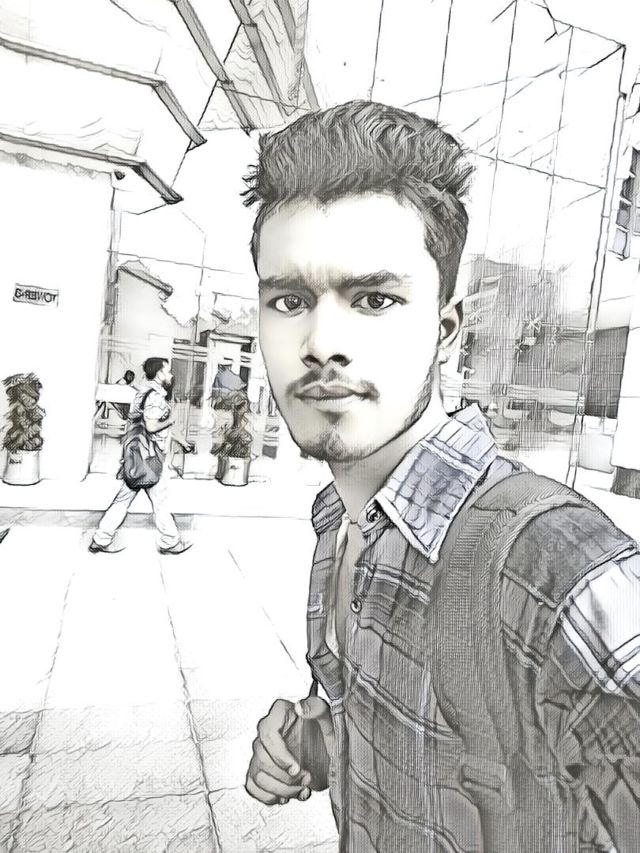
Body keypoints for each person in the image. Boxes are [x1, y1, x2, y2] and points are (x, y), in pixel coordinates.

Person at [243, 101, 640, 851]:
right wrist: (316, 745)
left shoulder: (557, 566)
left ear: (445, 330)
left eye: (375, 299)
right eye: (290, 300)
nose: (321, 342)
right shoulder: (339, 521)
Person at [90, 357, 194, 555]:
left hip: (139, 456)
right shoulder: (155, 397)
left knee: (123, 499)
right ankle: (170, 542)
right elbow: (152, 426)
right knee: (160, 502)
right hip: (150, 459)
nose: (170, 375)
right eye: (167, 371)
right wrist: (170, 420)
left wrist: (182, 442)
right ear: (159, 373)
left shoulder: (144, 393)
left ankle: (100, 539)